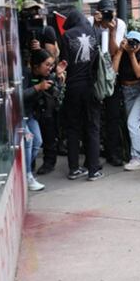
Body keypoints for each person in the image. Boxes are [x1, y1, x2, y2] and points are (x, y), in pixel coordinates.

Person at [58, 10, 104, 181]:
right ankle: (93, 170)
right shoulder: (96, 32)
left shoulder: (66, 36)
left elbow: (64, 62)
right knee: (93, 127)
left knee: (73, 128)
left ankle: (74, 169)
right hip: (91, 87)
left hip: (72, 87)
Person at [22, 49, 66, 191]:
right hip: (19, 116)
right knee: (29, 140)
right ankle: (27, 175)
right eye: (47, 65)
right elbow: (18, 95)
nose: (50, 68)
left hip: (31, 115)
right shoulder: (25, 74)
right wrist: (37, 87)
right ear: (36, 65)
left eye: (51, 65)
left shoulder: (47, 76)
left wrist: (58, 79)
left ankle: (23, 170)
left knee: (37, 142)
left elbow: (56, 93)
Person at [93, 0, 127, 167]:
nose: (107, 16)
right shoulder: (91, 23)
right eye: (104, 12)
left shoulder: (119, 24)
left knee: (113, 115)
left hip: (111, 74)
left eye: (110, 12)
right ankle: (95, 153)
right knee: (94, 116)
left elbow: (114, 52)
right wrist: (95, 24)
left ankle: (113, 152)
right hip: (94, 75)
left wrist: (112, 32)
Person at [112, 30, 140, 171]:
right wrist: (121, 51)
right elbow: (114, 71)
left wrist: (132, 54)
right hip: (126, 91)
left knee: (132, 123)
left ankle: (137, 157)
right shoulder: (122, 52)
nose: (133, 45)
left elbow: (139, 73)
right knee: (134, 124)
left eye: (136, 42)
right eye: (131, 41)